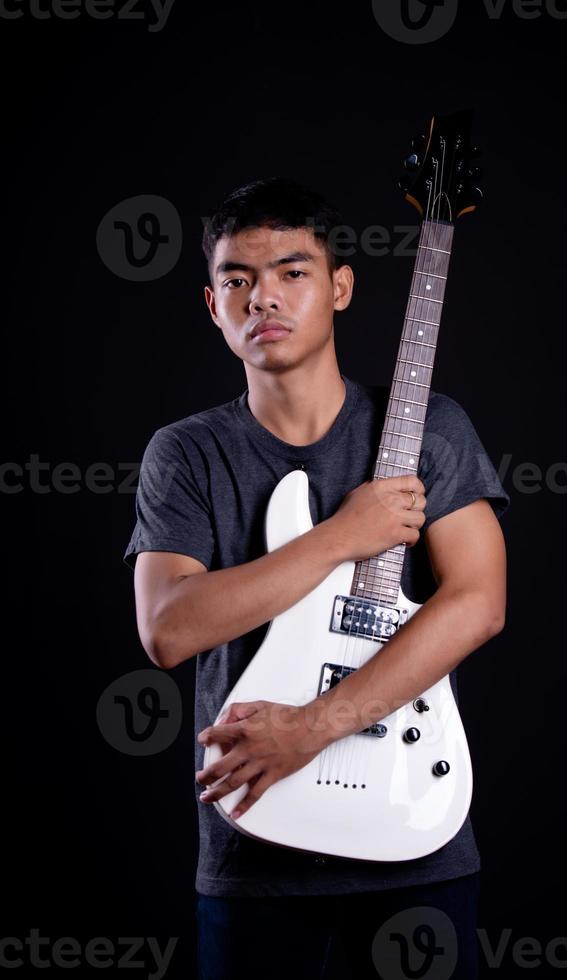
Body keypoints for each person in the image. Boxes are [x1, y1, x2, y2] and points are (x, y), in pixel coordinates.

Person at [123, 176, 510, 979]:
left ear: (340, 287)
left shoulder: (430, 426)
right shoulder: (187, 453)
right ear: (212, 304)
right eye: (238, 280)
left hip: (415, 828)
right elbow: (169, 629)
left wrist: (314, 726)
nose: (263, 297)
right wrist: (342, 536)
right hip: (254, 841)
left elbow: (479, 603)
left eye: (292, 273)